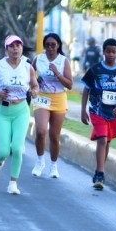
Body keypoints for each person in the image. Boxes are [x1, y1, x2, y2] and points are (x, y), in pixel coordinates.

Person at [0, 35, 40, 195]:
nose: (15, 49)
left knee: (17, 148)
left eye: (18, 45)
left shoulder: (27, 67)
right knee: (3, 151)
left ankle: (13, 183)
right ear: (6, 49)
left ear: (22, 48)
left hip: (21, 111)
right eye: (11, 46)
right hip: (3, 112)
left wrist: (34, 91)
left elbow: (35, 85)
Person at [81, 38, 116, 190]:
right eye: (108, 52)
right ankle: (100, 174)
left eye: (113, 52)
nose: (111, 54)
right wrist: (83, 110)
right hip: (97, 110)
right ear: (103, 52)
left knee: (107, 142)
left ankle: (100, 168)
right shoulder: (95, 70)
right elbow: (86, 90)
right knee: (102, 140)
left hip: (113, 112)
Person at [31, 33, 73, 178]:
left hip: (58, 98)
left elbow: (70, 84)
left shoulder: (63, 61)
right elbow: (30, 75)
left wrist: (57, 73)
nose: (50, 48)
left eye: (53, 45)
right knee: (41, 131)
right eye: (47, 45)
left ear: (58, 45)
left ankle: (54, 166)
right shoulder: (39, 59)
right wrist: (35, 83)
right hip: (42, 97)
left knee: (54, 136)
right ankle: (40, 161)